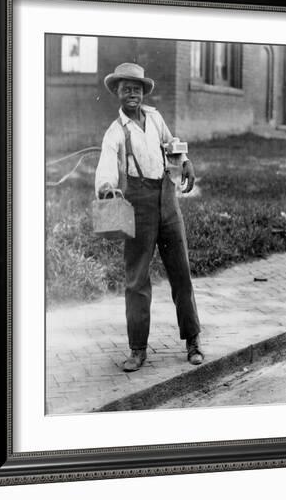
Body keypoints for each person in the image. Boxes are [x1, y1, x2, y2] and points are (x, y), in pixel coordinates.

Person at [95, 62, 204, 372]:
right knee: (137, 280)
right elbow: (105, 163)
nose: (133, 92)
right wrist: (105, 187)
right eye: (126, 87)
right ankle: (137, 349)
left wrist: (186, 163)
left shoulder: (155, 118)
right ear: (117, 92)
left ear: (143, 92)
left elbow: (172, 146)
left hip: (167, 202)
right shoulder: (115, 132)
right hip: (138, 207)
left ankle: (193, 340)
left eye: (137, 87)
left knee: (181, 274)